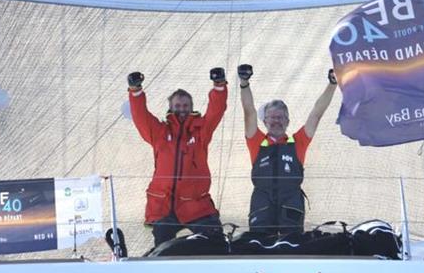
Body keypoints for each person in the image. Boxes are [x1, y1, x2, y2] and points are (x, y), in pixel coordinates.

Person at [127, 69, 227, 247]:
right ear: (171, 108)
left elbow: (216, 112)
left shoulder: (201, 131)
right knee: (163, 249)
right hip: (163, 205)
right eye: (178, 106)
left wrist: (219, 85)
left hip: (196, 204)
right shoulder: (159, 132)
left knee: (217, 242)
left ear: (191, 108)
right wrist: (136, 91)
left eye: (185, 106)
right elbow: (140, 117)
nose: (182, 110)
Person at [238, 64, 338, 235]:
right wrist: (244, 83)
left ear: (288, 120)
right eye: (272, 117)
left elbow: (316, 114)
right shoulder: (256, 141)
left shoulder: (298, 142)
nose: (276, 121)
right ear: (265, 121)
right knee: (258, 244)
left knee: (291, 245)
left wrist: (332, 83)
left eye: (281, 117)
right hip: (263, 202)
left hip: (291, 202)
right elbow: (249, 112)